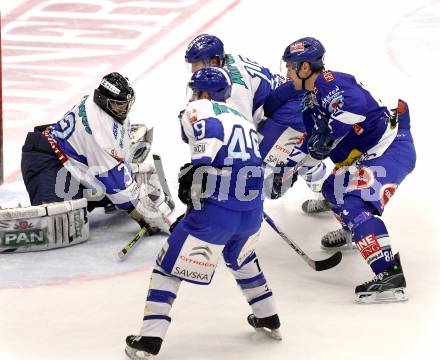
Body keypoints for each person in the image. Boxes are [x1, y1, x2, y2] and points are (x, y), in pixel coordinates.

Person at [125, 67, 281, 359]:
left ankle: (149, 340)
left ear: (205, 94)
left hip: (218, 212)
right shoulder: (243, 120)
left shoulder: (199, 108)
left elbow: (200, 170)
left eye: (195, 91)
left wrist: (194, 208)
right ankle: (268, 315)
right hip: (252, 211)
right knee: (242, 257)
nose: (192, 97)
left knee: (166, 267)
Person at [266, 37, 416, 303]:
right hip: (368, 155)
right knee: (331, 189)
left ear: (304, 68)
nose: (287, 73)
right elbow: (313, 146)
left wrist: (332, 131)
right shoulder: (311, 102)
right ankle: (355, 233)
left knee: (354, 201)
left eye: (291, 67)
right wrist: (286, 171)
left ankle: (391, 277)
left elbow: (356, 108)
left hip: (391, 150)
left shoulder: (330, 82)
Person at [21, 72, 172, 234]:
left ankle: (102, 196)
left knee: (104, 186)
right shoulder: (99, 130)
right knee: (55, 224)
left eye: (126, 103)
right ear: (103, 100)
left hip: (73, 161)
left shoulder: (109, 110)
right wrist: (145, 215)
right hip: (46, 160)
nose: (125, 108)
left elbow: (117, 162)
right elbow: (116, 182)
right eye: (119, 104)